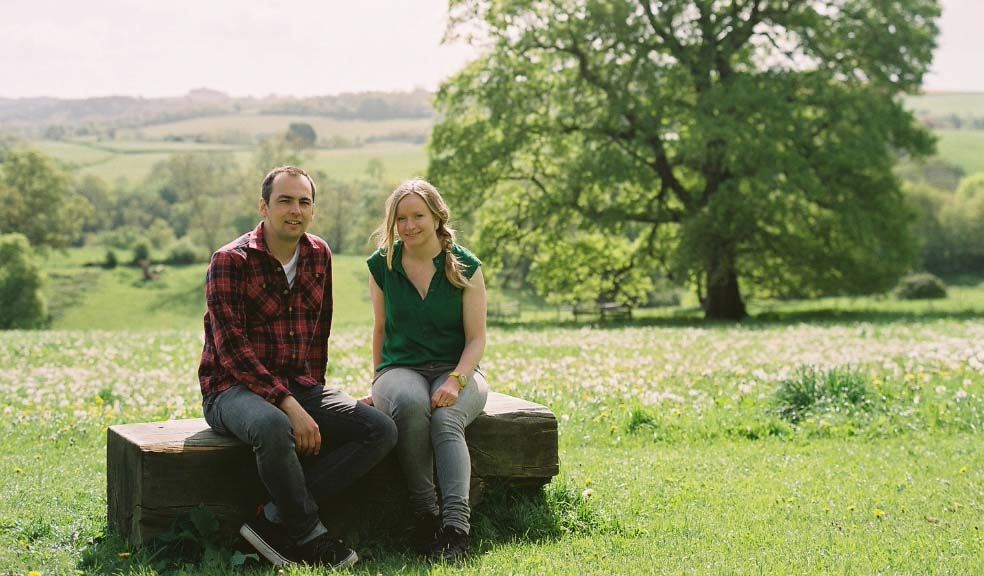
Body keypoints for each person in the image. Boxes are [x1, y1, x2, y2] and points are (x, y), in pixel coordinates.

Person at [198, 166, 397, 569]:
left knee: (380, 429)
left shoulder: (318, 254)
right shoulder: (229, 260)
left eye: (304, 202)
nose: (295, 210)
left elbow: (318, 332)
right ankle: (310, 535)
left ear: (312, 209)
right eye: (285, 200)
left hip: (299, 384)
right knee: (273, 424)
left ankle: (271, 518)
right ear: (264, 206)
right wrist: (291, 406)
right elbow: (232, 350)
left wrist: (317, 398)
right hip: (230, 389)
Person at [363, 178, 489, 562]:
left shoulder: (465, 266)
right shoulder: (382, 264)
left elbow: (476, 339)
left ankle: (456, 529)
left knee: (446, 416)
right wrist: (377, 383)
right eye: (400, 218)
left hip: (458, 368)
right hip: (400, 368)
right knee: (409, 400)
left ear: (437, 217)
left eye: (418, 215)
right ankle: (425, 516)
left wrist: (456, 380)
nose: (409, 225)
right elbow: (381, 329)